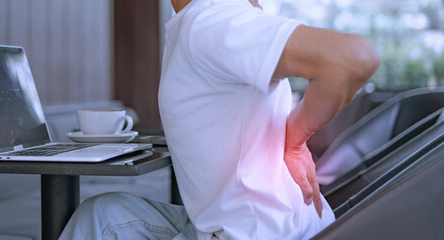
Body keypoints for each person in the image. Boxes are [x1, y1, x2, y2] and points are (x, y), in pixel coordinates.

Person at [59, 0, 380, 239]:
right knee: (103, 215)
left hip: (259, 233)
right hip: (281, 226)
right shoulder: (218, 21)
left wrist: (294, 141)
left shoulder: (211, 21)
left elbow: (352, 58)